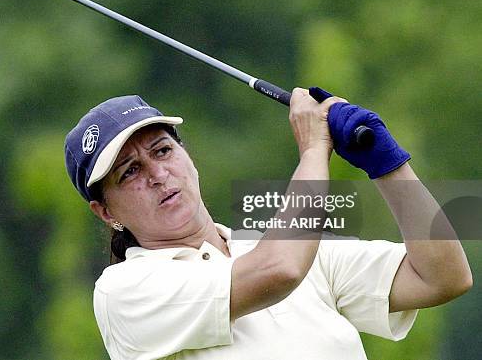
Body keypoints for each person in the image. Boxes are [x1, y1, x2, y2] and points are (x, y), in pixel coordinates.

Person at [64, 91, 472, 360]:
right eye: (130, 172)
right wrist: (315, 149)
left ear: (188, 157)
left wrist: (387, 163)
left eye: (163, 150)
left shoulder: (274, 245)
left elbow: (443, 277)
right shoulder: (124, 292)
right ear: (106, 212)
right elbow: (281, 269)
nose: (157, 174)